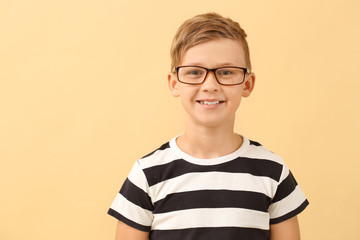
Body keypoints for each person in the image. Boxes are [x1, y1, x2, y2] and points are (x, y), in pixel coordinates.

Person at [108, 12, 309, 240]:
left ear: (248, 84)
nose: (210, 85)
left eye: (226, 72)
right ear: (174, 84)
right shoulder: (146, 175)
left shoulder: (273, 173)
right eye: (194, 72)